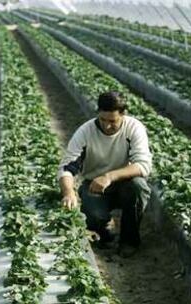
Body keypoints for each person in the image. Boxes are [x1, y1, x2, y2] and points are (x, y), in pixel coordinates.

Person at [58, 91, 152, 258]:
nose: (107, 126)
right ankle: (105, 230)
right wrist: (68, 192)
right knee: (94, 216)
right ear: (98, 114)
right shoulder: (85, 132)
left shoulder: (133, 128)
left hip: (124, 183)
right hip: (94, 185)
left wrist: (109, 177)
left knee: (139, 187)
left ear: (123, 115)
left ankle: (129, 241)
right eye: (103, 120)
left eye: (112, 121)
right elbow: (67, 167)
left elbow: (143, 165)